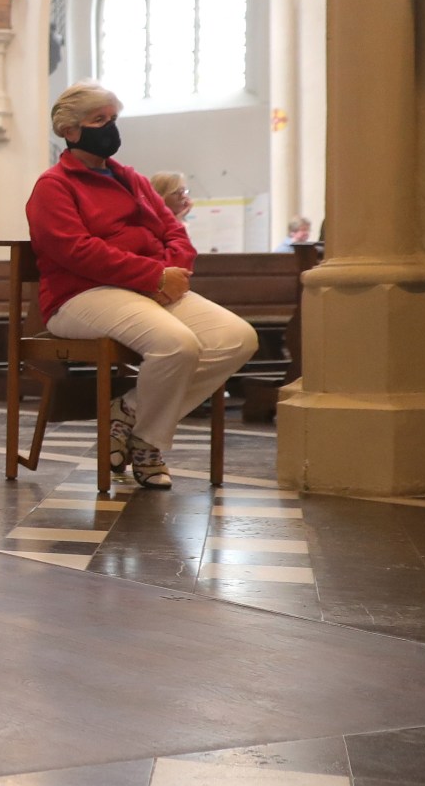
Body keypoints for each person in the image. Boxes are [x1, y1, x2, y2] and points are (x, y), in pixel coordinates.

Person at [28, 81, 258, 490]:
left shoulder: (131, 179)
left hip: (149, 290)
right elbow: (77, 251)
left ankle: (128, 417)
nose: (110, 128)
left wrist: (171, 275)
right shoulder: (54, 186)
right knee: (177, 345)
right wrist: (151, 276)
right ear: (69, 130)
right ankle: (150, 445)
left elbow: (175, 233)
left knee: (237, 338)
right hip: (80, 296)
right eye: (99, 120)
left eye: (114, 119)